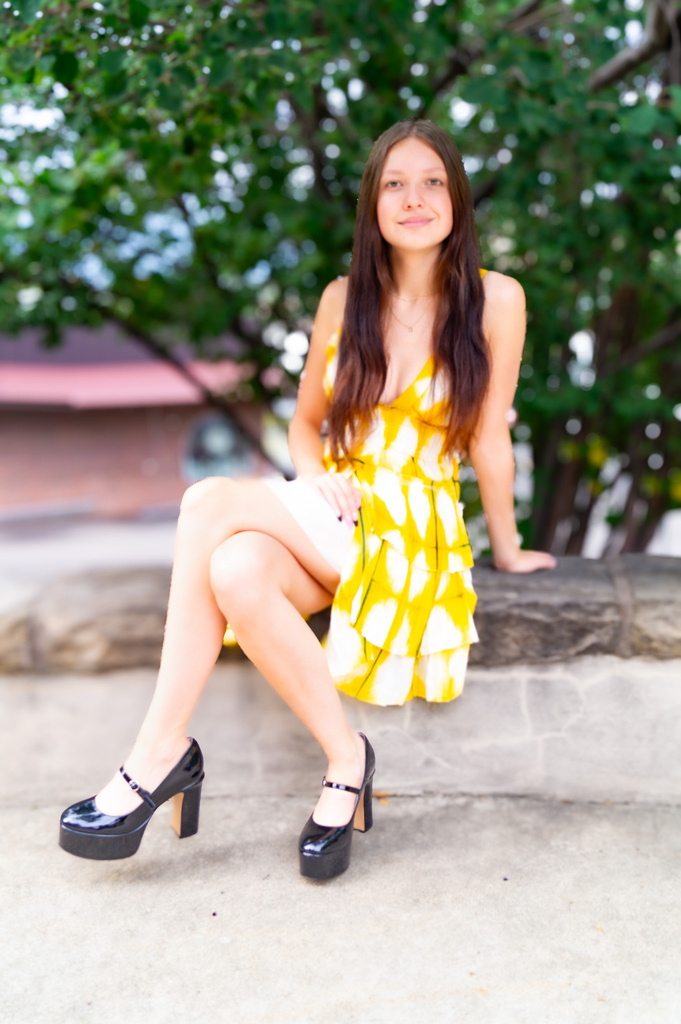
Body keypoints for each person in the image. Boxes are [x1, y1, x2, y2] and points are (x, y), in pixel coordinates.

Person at [59, 118, 556, 880]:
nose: (413, 198)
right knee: (235, 572)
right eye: (394, 183)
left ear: (456, 196)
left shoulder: (497, 300)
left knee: (205, 503)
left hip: (412, 520)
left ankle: (158, 754)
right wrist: (314, 474)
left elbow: (489, 438)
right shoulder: (340, 299)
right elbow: (304, 424)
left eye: (431, 182)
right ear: (372, 203)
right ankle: (345, 757)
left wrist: (508, 545)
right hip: (336, 503)